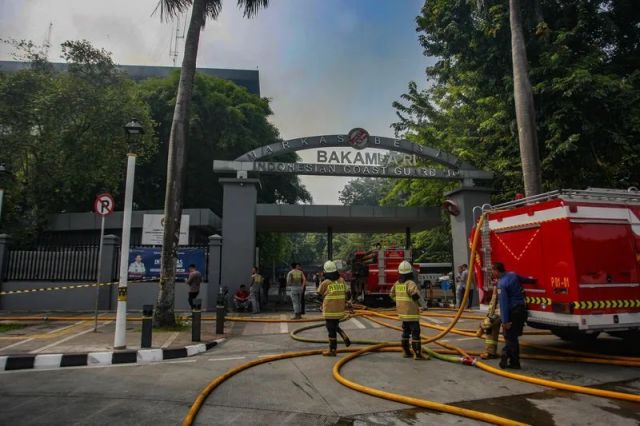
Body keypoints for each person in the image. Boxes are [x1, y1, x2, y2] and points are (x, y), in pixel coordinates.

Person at [492, 261, 535, 369]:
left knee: (510, 337)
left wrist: (505, 321)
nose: (492, 273)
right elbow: (526, 280)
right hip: (521, 311)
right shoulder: (513, 275)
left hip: (512, 312)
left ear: (497, 271)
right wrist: (534, 280)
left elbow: (504, 304)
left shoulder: (501, 284)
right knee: (513, 337)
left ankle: (506, 355)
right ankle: (513, 362)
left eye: (492, 271)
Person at [390, 261, 428, 360]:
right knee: (415, 333)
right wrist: (424, 305)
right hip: (411, 313)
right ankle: (418, 354)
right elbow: (415, 295)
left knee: (405, 332)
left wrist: (398, 302)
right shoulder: (410, 283)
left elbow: (391, 294)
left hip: (402, 313)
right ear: (410, 273)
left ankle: (406, 352)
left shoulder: (397, 283)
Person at [316, 260, 351, 356]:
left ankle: (332, 350)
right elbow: (348, 294)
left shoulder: (325, 282)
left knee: (330, 329)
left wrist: (322, 302)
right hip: (339, 310)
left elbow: (318, 295)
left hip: (329, 310)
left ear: (325, 272)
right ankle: (342, 334)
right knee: (334, 325)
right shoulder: (341, 280)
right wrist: (345, 301)